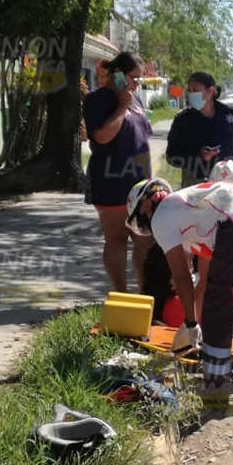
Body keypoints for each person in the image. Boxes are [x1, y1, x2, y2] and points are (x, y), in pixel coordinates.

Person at [126, 177, 233, 414]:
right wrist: (193, 320)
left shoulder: (162, 216)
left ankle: (215, 395)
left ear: (145, 207)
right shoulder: (195, 206)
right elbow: (205, 277)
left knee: (217, 320)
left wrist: (192, 323)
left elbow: (182, 278)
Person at [83, 51, 154, 293]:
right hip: (111, 182)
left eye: (140, 78)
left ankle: (145, 296)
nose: (137, 83)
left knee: (146, 242)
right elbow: (102, 137)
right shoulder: (97, 99)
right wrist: (122, 105)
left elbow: (142, 137)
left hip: (141, 184)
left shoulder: (136, 100)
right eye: (134, 77)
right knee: (117, 240)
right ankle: (121, 295)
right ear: (118, 74)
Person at [164, 72, 233, 188]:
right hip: (196, 186)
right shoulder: (183, 120)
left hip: (229, 183)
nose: (191, 94)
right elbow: (171, 155)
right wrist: (199, 156)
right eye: (189, 90)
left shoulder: (230, 116)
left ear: (210, 91)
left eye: (195, 90)